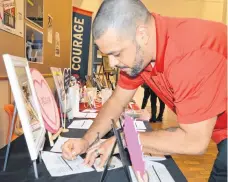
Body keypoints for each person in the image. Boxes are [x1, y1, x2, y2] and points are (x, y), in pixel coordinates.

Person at [62, 0, 227, 181]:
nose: (113, 64)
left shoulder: (191, 55)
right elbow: (117, 101)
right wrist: (87, 140)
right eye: (107, 55)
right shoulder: (142, 52)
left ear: (142, 34)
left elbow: (194, 141)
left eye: (116, 54)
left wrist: (126, 140)